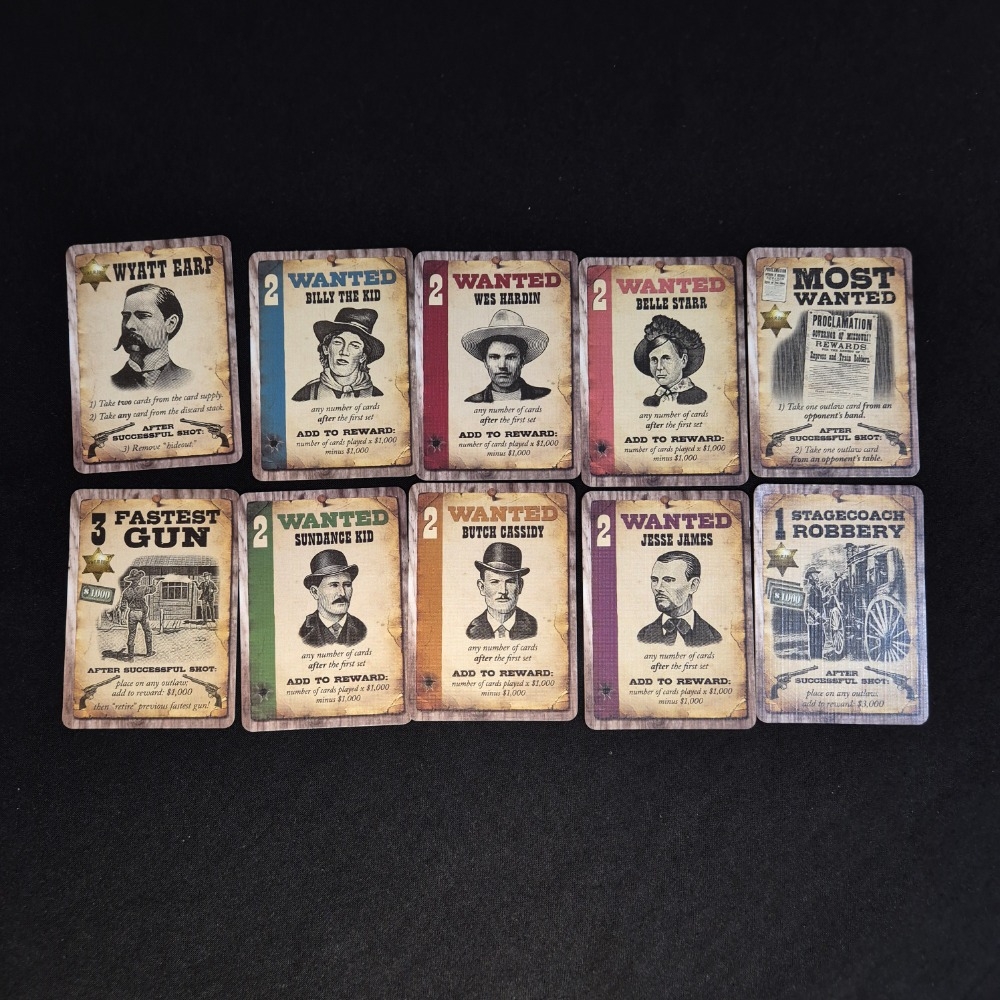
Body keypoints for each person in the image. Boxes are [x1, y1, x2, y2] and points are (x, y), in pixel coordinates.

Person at [112, 284, 192, 390]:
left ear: (170, 324)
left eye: (143, 316)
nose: (128, 325)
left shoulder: (189, 380)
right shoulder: (111, 384)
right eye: (126, 316)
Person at [292, 309, 384, 400]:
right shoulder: (305, 395)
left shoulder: (377, 396)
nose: (344, 352)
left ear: (363, 356)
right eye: (338, 342)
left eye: (354, 345)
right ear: (326, 349)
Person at [462, 309, 551, 402]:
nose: (502, 366)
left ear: (522, 361)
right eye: (494, 357)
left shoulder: (545, 397)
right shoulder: (472, 402)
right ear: (485, 362)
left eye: (510, 357)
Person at [636, 551, 721, 645]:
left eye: (668, 580)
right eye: (654, 580)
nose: (658, 587)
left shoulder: (715, 637)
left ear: (693, 585)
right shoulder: (642, 636)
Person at [466, 542, 538, 640]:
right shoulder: (472, 632)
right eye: (495, 582)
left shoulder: (533, 626)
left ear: (520, 586)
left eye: (510, 582)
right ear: (482, 587)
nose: (503, 591)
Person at [634, 315, 707, 406]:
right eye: (654, 360)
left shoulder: (700, 398)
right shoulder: (649, 402)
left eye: (666, 358)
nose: (659, 367)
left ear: (683, 360)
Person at [299, 550, 367, 647]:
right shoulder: (303, 632)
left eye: (347, 585)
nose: (342, 593)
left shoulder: (362, 629)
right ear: (315, 592)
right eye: (334, 585)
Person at [117, 568, 156, 659]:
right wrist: (154, 583)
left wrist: (122, 617)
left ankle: (130, 656)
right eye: (139, 579)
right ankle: (149, 652)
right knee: (147, 631)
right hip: (142, 614)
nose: (140, 580)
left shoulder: (126, 591)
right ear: (138, 580)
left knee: (132, 633)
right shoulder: (143, 588)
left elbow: (123, 607)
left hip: (132, 614)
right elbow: (152, 590)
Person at [804, 566, 825, 659]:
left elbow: (820, 601)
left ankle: (819, 657)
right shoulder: (809, 588)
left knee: (820, 638)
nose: (817, 576)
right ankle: (814, 658)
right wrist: (816, 614)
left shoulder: (816, 587)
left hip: (818, 617)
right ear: (810, 576)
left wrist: (828, 597)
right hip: (812, 618)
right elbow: (807, 605)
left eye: (817, 574)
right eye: (815, 574)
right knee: (814, 640)